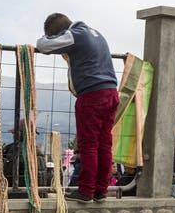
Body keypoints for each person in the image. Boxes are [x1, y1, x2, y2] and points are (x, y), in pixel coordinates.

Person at [36, 13, 119, 203]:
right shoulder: (96, 33)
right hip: (111, 92)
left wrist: (49, 38)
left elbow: (43, 46)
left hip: (92, 95)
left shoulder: (75, 34)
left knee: (88, 144)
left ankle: (86, 191)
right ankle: (100, 190)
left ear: (60, 32)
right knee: (104, 144)